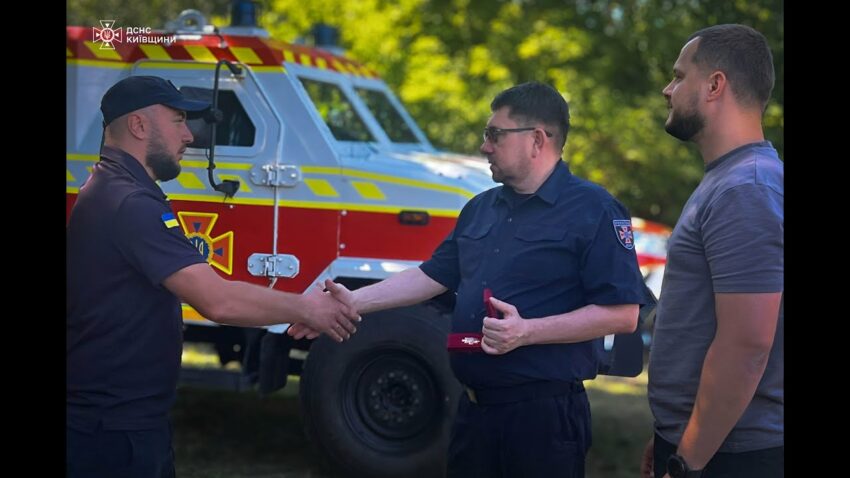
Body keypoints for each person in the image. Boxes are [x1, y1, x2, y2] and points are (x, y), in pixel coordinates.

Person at [289, 81, 649, 477]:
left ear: (537, 140)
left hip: (542, 420)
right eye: (486, 135)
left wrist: (526, 332)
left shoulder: (595, 209)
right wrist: (351, 303)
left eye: (495, 134)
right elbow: (433, 276)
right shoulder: (481, 208)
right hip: (473, 413)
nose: (484, 146)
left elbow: (622, 314)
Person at [66, 75, 361, 478]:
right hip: (115, 431)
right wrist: (307, 308)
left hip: (113, 420)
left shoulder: (111, 187)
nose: (189, 135)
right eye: (178, 120)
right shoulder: (128, 202)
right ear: (138, 126)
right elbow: (217, 300)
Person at [639, 25, 784, 478]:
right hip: (706, 444)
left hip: (731, 456)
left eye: (679, 76)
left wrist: (687, 460)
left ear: (715, 85)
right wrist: (672, 434)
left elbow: (747, 346)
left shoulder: (746, 188)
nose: (668, 89)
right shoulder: (729, 179)